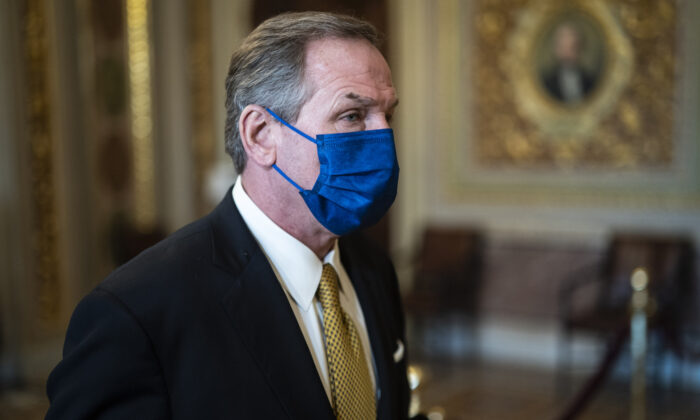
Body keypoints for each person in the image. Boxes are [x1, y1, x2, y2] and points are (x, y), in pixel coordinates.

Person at [46, 11, 416, 420]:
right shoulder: (137, 312)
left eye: (388, 115)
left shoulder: (372, 267)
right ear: (260, 135)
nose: (383, 137)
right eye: (352, 115)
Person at [541, 21, 599, 105]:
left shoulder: (591, 82)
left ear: (580, 50)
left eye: (572, 48)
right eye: (563, 48)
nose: (567, 54)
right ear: (556, 49)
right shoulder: (546, 83)